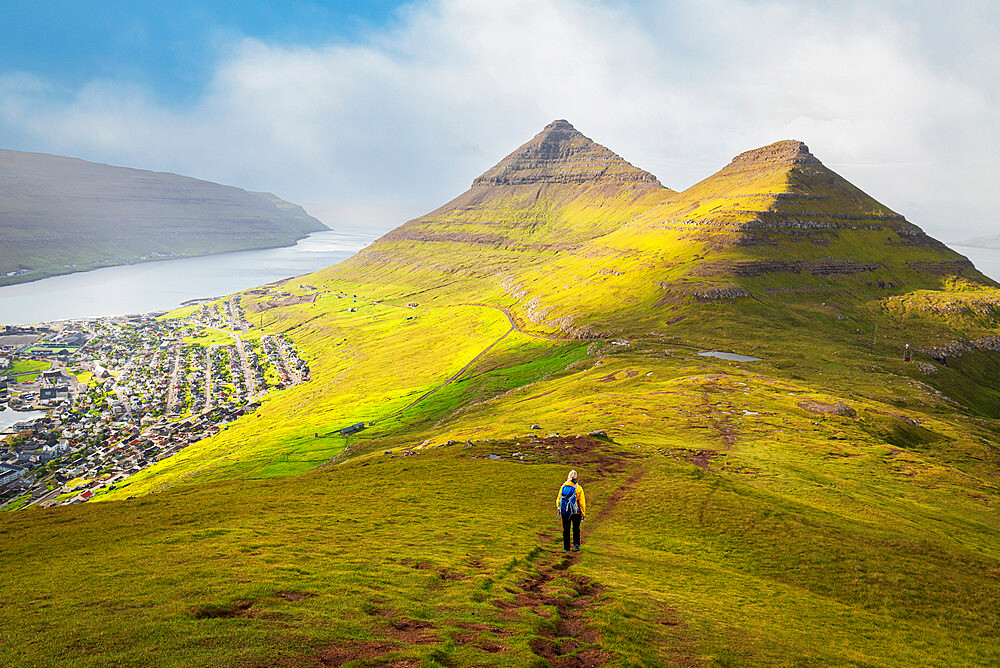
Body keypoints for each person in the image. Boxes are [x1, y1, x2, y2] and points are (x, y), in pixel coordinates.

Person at [556, 470, 586, 552]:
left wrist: (560, 508)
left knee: (566, 529)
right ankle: (576, 545)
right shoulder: (578, 488)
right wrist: (583, 513)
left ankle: (566, 548)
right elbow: (581, 502)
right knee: (576, 529)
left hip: (565, 511)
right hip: (576, 512)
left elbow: (558, 499)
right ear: (576, 477)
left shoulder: (563, 487)